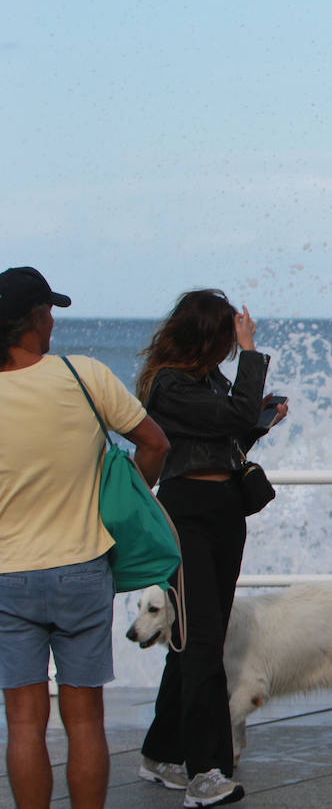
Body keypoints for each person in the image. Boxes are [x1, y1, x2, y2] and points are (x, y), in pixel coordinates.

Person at [0, 266, 170, 809]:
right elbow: (154, 443)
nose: (52, 320)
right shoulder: (84, 376)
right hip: (81, 566)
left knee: (24, 723)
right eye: (48, 311)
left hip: (7, 572)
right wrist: (124, 506)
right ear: (30, 322)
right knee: (84, 719)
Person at [134, 290, 287, 808]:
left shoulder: (205, 379)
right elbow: (230, 415)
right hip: (188, 514)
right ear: (207, 334)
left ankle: (160, 751)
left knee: (200, 636)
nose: (230, 348)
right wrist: (250, 354)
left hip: (223, 509)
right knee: (202, 645)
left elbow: (231, 430)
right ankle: (207, 772)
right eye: (225, 338)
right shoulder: (168, 384)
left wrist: (259, 423)